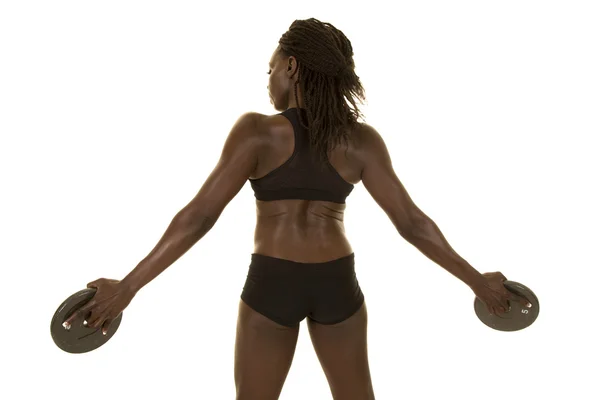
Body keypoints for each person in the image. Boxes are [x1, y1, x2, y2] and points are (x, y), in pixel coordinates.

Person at [63, 18, 531, 400]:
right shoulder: (360, 142)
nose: (267, 82)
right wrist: (478, 282)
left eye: (269, 70)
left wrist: (128, 287)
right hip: (337, 282)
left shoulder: (257, 131)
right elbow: (412, 223)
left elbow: (199, 217)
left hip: (273, 281)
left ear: (290, 66)